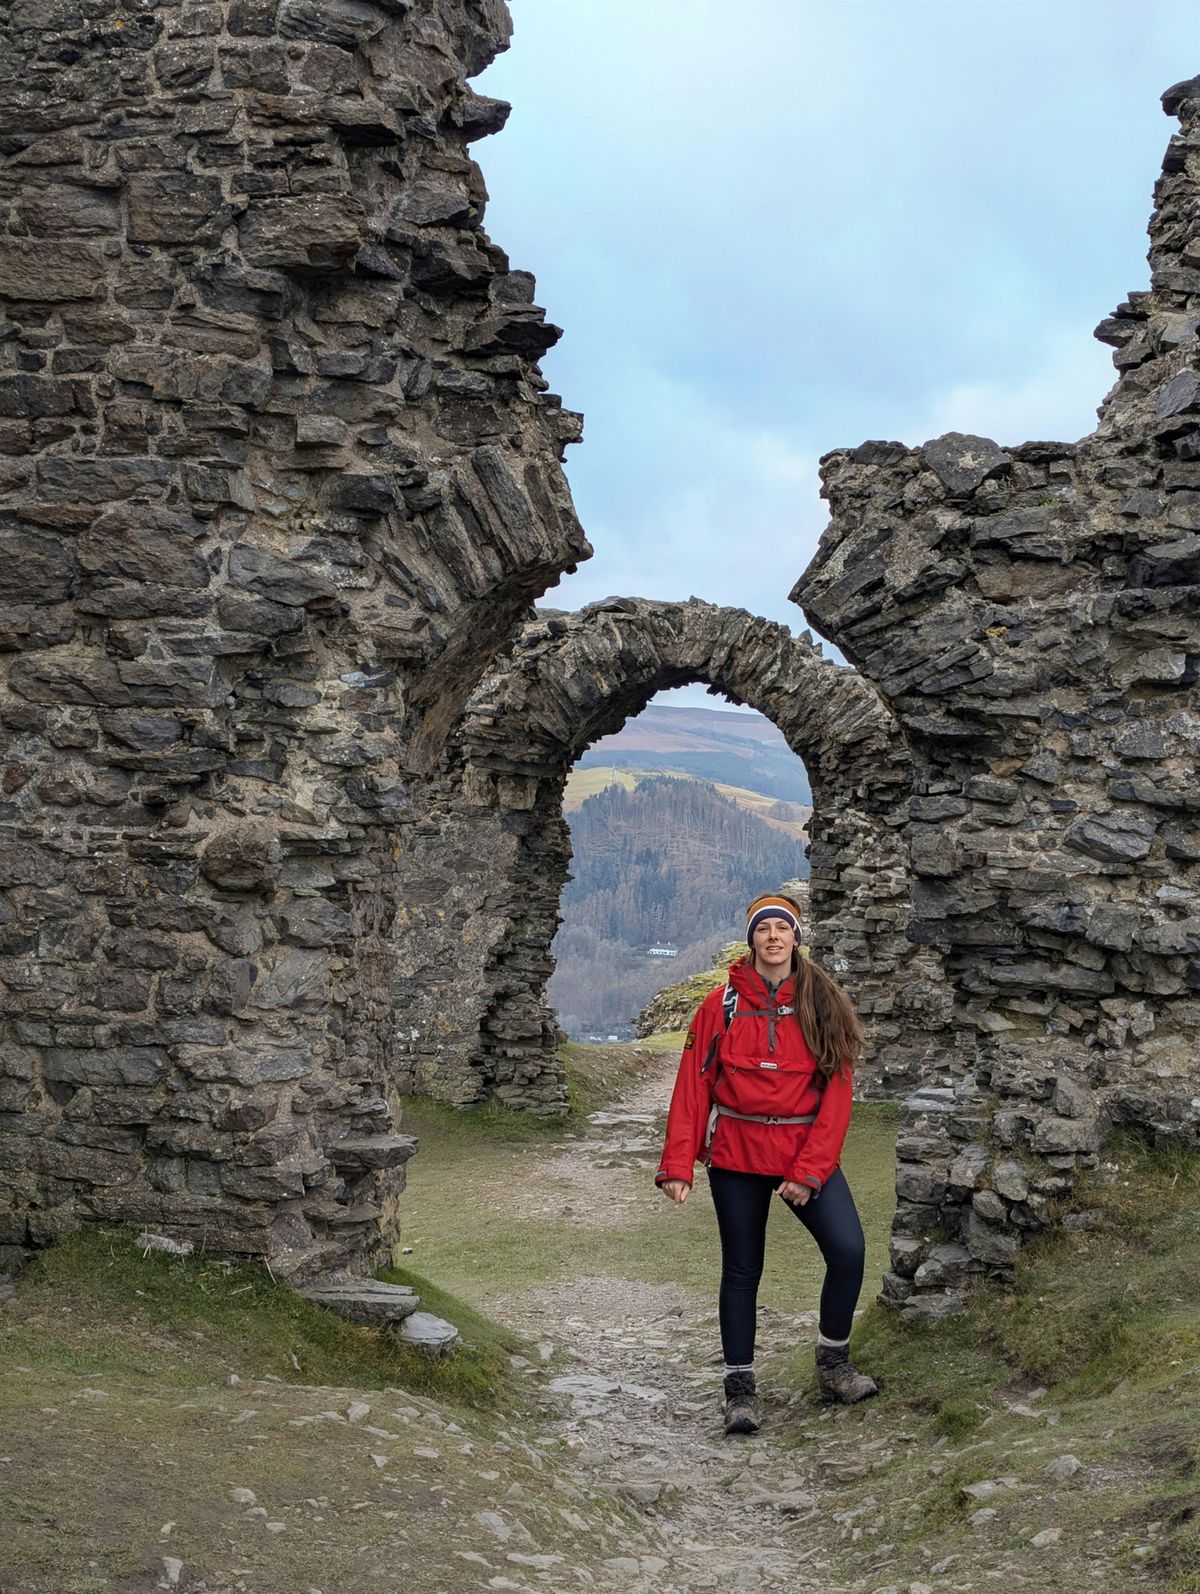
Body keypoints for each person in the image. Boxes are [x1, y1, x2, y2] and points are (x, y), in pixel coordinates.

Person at [655, 892, 877, 1434]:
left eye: (783, 928)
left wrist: (808, 1172)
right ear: (751, 938)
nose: (773, 937)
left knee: (848, 1250)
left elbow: (838, 1095)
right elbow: (694, 1085)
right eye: (763, 929)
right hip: (736, 1154)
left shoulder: (824, 1001)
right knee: (742, 1270)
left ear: (796, 938)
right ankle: (740, 1391)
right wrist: (678, 1164)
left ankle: (833, 1364)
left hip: (803, 1152)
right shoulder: (720, 1005)